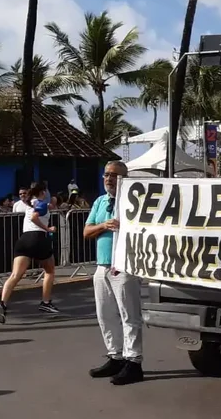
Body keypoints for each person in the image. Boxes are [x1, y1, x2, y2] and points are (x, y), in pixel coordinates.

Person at [84, 160, 143, 385]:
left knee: (129, 315)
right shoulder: (100, 202)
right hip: (102, 265)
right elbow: (87, 231)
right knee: (105, 314)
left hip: (125, 265)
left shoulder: (133, 202)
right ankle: (115, 355)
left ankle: (134, 360)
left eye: (115, 176)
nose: (110, 179)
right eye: (107, 174)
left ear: (124, 179)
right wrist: (104, 226)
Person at [0, 181, 59, 323]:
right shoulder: (40, 204)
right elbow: (35, 217)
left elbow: (49, 206)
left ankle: (3, 303)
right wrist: (48, 229)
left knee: (16, 274)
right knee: (49, 271)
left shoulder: (31, 203)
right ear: (43, 192)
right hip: (38, 237)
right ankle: (46, 303)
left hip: (24, 239)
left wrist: (53, 200)